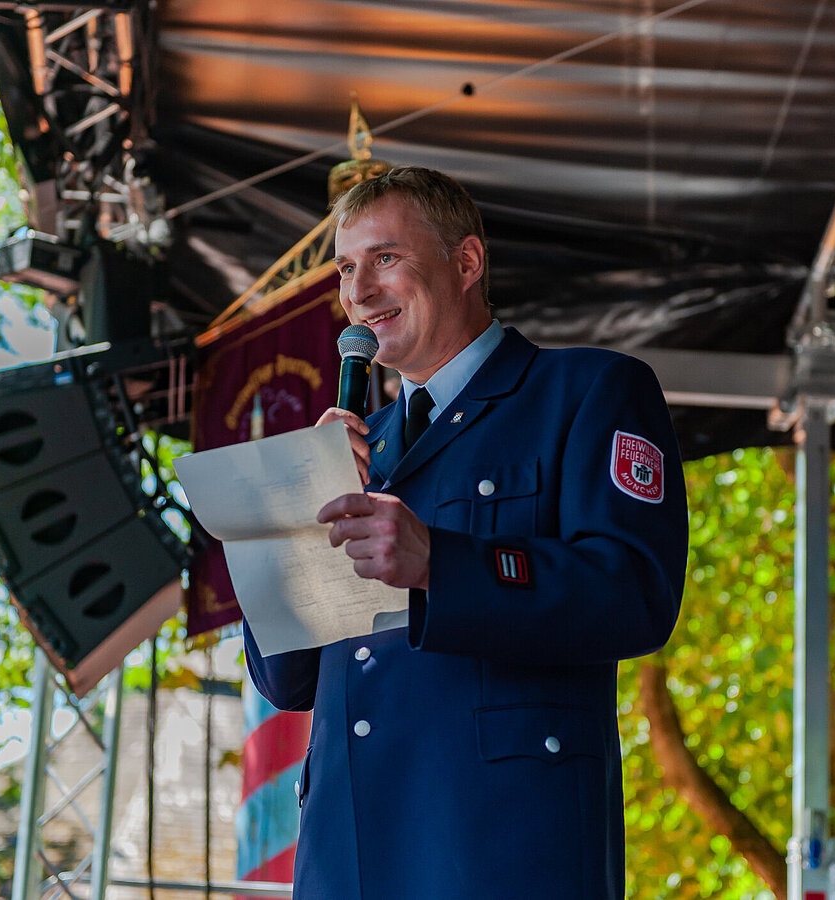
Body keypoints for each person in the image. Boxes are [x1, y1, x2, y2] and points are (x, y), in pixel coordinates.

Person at [243, 166, 688, 899]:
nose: (360, 291)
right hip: (349, 857)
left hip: (502, 853)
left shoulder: (587, 391)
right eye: (346, 268)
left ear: (467, 261)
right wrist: (298, 516)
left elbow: (634, 594)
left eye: (385, 257)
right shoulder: (353, 448)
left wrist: (439, 566)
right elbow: (286, 681)